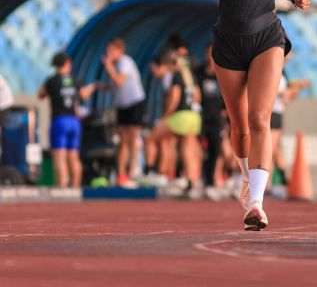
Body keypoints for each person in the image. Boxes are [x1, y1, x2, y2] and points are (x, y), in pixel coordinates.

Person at [183, 0, 310, 230]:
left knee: (259, 119)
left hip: (267, 37)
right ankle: (245, 178)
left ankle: (256, 203)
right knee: (238, 128)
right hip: (228, 42)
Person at [145, 55, 203, 198]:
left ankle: (151, 172)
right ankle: (191, 182)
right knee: (188, 150)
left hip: (180, 117)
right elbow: (197, 97)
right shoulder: (190, 77)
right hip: (194, 117)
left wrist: (165, 116)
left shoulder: (176, 76)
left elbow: (174, 98)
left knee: (151, 138)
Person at [38, 52, 96, 187]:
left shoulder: (52, 80)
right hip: (74, 122)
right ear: (68, 63)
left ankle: (62, 187)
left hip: (59, 121)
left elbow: (40, 95)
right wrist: (92, 87)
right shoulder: (75, 80)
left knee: (59, 157)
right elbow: (84, 95)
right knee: (74, 157)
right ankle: (76, 187)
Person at [102, 38, 146, 188]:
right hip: (122, 105)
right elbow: (113, 85)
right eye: (108, 51)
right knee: (123, 141)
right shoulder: (115, 65)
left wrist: (108, 66)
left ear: (120, 51)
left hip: (135, 103)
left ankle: (132, 172)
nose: (109, 53)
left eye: (111, 50)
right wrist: (96, 87)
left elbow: (119, 81)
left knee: (132, 138)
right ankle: (121, 174)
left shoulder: (125, 62)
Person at [269, 58, 310, 198]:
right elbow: (280, 93)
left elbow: (285, 96)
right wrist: (294, 89)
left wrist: (295, 90)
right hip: (271, 113)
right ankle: (270, 185)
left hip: (276, 113)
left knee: (273, 150)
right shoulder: (273, 70)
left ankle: (278, 183)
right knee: (270, 150)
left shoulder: (282, 72)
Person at [194, 45, 226, 194]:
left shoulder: (223, 73)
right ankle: (196, 180)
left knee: (215, 150)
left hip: (217, 118)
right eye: (208, 53)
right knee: (199, 150)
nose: (210, 56)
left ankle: (211, 182)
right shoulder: (198, 73)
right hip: (200, 117)